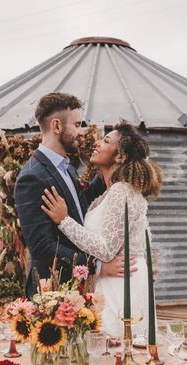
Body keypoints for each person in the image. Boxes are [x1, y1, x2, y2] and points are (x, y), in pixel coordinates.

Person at [42, 122, 163, 337]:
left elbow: (107, 249)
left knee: (119, 348)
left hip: (123, 282)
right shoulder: (104, 196)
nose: (97, 142)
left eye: (106, 141)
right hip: (109, 281)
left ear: (120, 157)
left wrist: (64, 221)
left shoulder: (121, 191)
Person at [14, 92, 136, 298]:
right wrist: (96, 266)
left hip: (78, 291)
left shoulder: (66, 167)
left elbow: (81, 201)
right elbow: (41, 246)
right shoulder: (32, 178)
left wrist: (113, 160)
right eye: (77, 124)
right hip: (54, 292)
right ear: (57, 126)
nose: (81, 132)